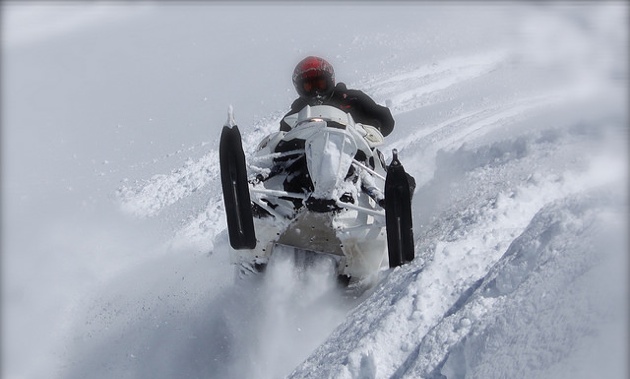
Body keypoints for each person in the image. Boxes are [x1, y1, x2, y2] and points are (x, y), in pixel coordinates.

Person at [280, 56, 395, 136]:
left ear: (330, 81)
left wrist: (373, 127)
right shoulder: (295, 114)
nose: (316, 91)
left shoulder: (353, 99)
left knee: (396, 171)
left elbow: (385, 118)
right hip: (307, 164)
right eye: (309, 86)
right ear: (300, 88)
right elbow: (279, 143)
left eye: (320, 84)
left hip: (357, 154)